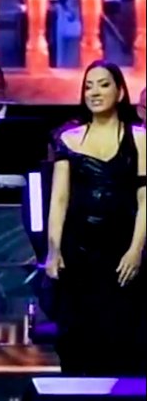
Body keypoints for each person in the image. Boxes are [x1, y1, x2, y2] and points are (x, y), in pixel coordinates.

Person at [47, 60, 146, 376]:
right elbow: (59, 200)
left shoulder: (140, 138)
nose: (94, 92)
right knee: (77, 341)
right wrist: (53, 250)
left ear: (120, 92)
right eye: (88, 86)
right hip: (78, 254)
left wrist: (136, 251)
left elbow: (145, 200)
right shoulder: (67, 139)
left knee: (121, 340)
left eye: (103, 84)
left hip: (121, 255)